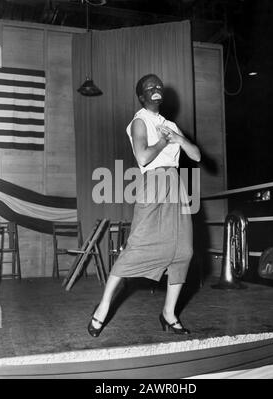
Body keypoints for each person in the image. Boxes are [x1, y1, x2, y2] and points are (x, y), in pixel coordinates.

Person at [88, 74, 201, 337]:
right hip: (153, 182)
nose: (156, 88)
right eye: (149, 87)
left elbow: (195, 155)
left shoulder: (170, 124)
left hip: (176, 185)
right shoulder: (140, 120)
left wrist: (178, 138)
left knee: (183, 250)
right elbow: (143, 156)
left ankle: (168, 314)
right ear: (142, 96)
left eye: (159, 85)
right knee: (137, 246)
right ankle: (104, 307)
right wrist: (164, 140)